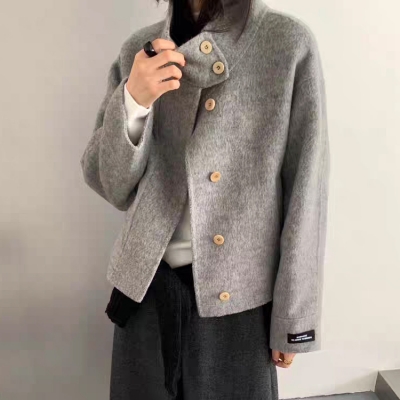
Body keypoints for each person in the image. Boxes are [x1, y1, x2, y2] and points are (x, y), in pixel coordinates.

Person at [80, 0, 330, 398]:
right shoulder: (139, 51)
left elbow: (306, 188)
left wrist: (293, 317)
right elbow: (111, 185)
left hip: (239, 308)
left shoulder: (287, 43)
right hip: (144, 297)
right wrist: (134, 101)